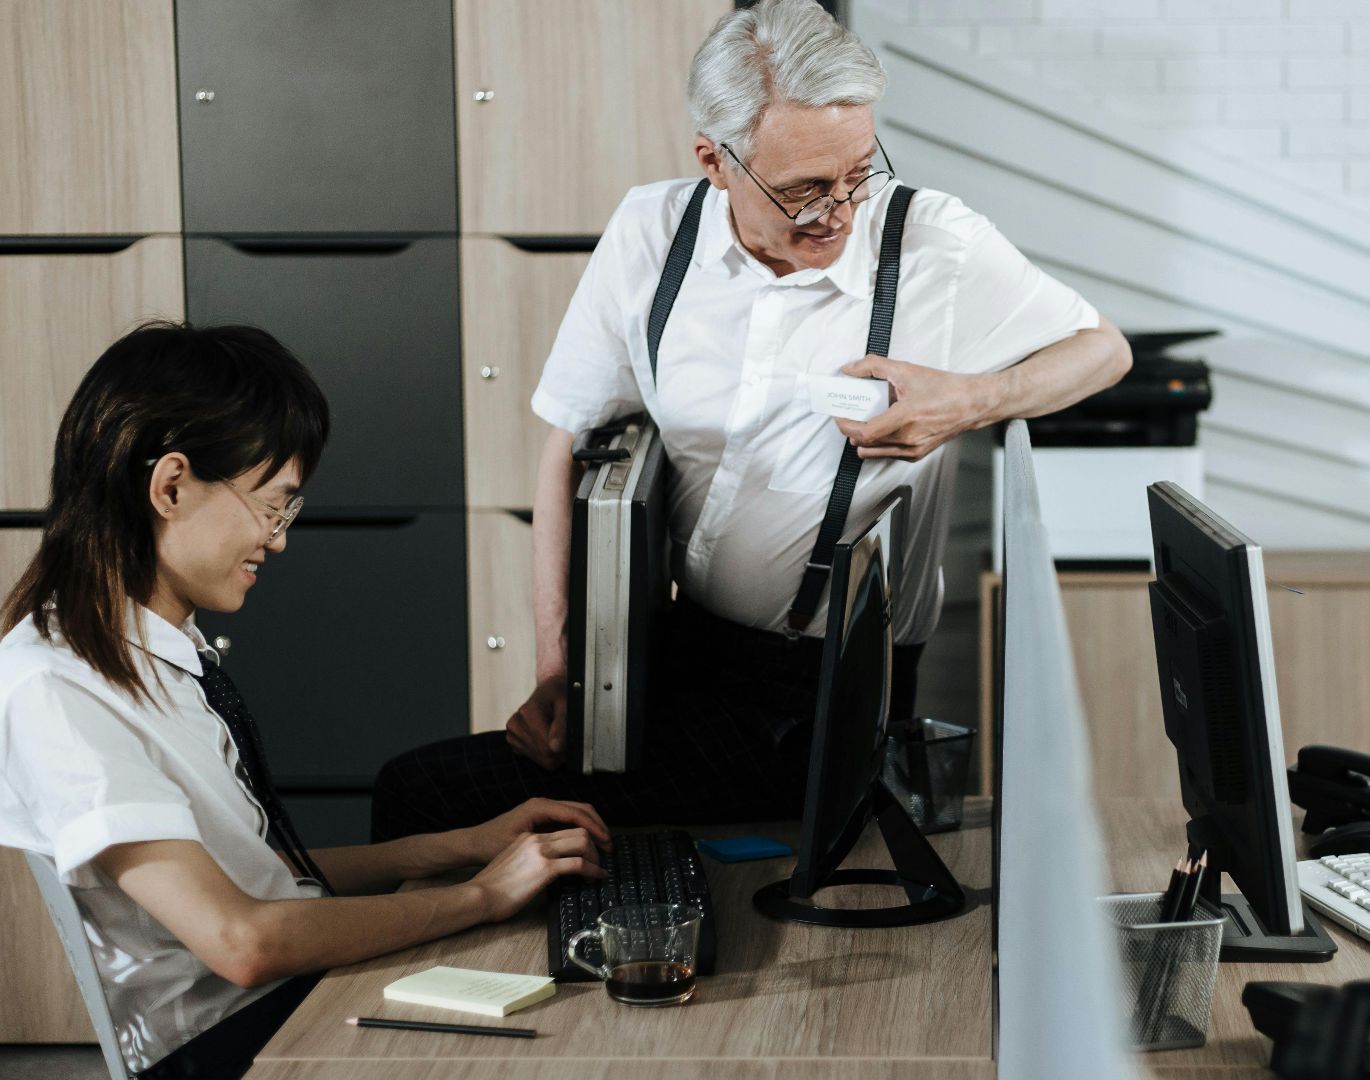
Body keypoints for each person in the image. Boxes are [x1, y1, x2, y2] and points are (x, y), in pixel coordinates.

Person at [370, 0, 1130, 837]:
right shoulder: (649, 234)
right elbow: (568, 442)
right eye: (806, 189)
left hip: (824, 698)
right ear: (715, 160)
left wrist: (969, 401)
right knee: (462, 808)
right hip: (674, 651)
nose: (839, 211)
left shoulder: (935, 245)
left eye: (857, 172)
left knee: (426, 795)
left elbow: (1103, 350)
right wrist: (560, 674)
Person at [0, 322, 610, 1080]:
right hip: (230, 1051)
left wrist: (465, 847)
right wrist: (484, 895)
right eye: (272, 506)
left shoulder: (152, 647)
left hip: (282, 1009)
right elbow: (243, 940)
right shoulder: (57, 686)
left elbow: (258, 875)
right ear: (170, 485)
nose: (279, 541)